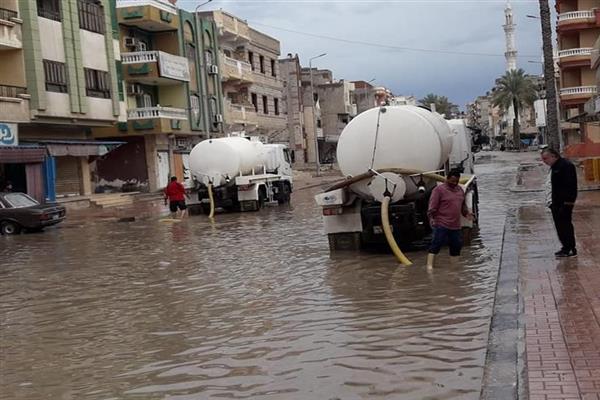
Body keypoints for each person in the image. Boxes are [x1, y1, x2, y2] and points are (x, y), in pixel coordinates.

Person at [426, 169, 472, 268]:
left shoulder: (460, 190)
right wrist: (432, 218)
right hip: (441, 223)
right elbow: (432, 207)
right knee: (436, 244)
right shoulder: (439, 190)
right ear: (447, 179)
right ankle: (429, 267)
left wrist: (467, 214)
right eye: (452, 181)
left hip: (455, 225)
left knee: (456, 246)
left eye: (456, 181)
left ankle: (454, 267)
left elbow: (462, 206)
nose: (454, 183)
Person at [541, 148, 578, 257]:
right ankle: (565, 247)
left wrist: (568, 203)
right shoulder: (554, 167)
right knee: (559, 226)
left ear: (553, 156)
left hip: (564, 203)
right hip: (555, 203)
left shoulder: (566, 166)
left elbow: (571, 186)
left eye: (545, 158)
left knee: (565, 226)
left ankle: (570, 248)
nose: (544, 161)